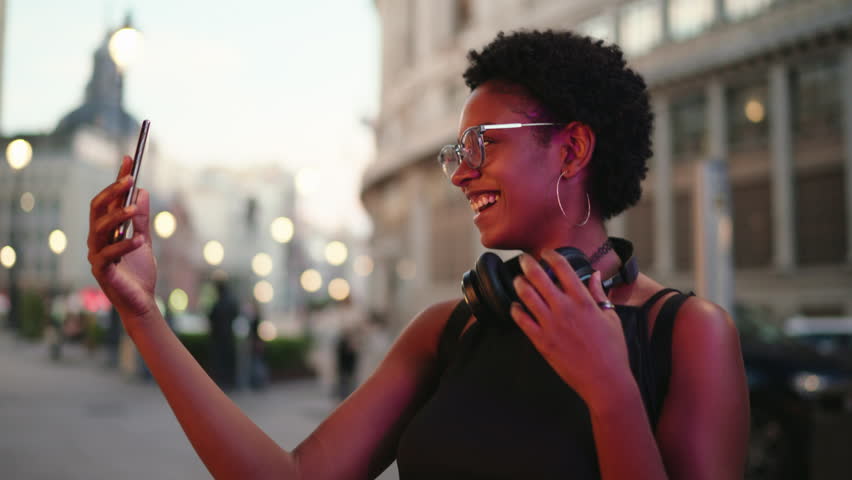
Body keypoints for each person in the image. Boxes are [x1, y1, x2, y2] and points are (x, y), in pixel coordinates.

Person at [87, 29, 749, 479]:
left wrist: (612, 395)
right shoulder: (451, 328)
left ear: (572, 150)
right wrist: (144, 316)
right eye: (455, 154)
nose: (460, 174)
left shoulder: (687, 335)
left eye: (482, 145)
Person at [208, 276, 239, 391]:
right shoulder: (231, 301)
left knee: (220, 362)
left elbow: (211, 317)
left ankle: (223, 382)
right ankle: (228, 382)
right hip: (228, 338)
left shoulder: (219, 303)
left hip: (219, 339)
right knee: (226, 362)